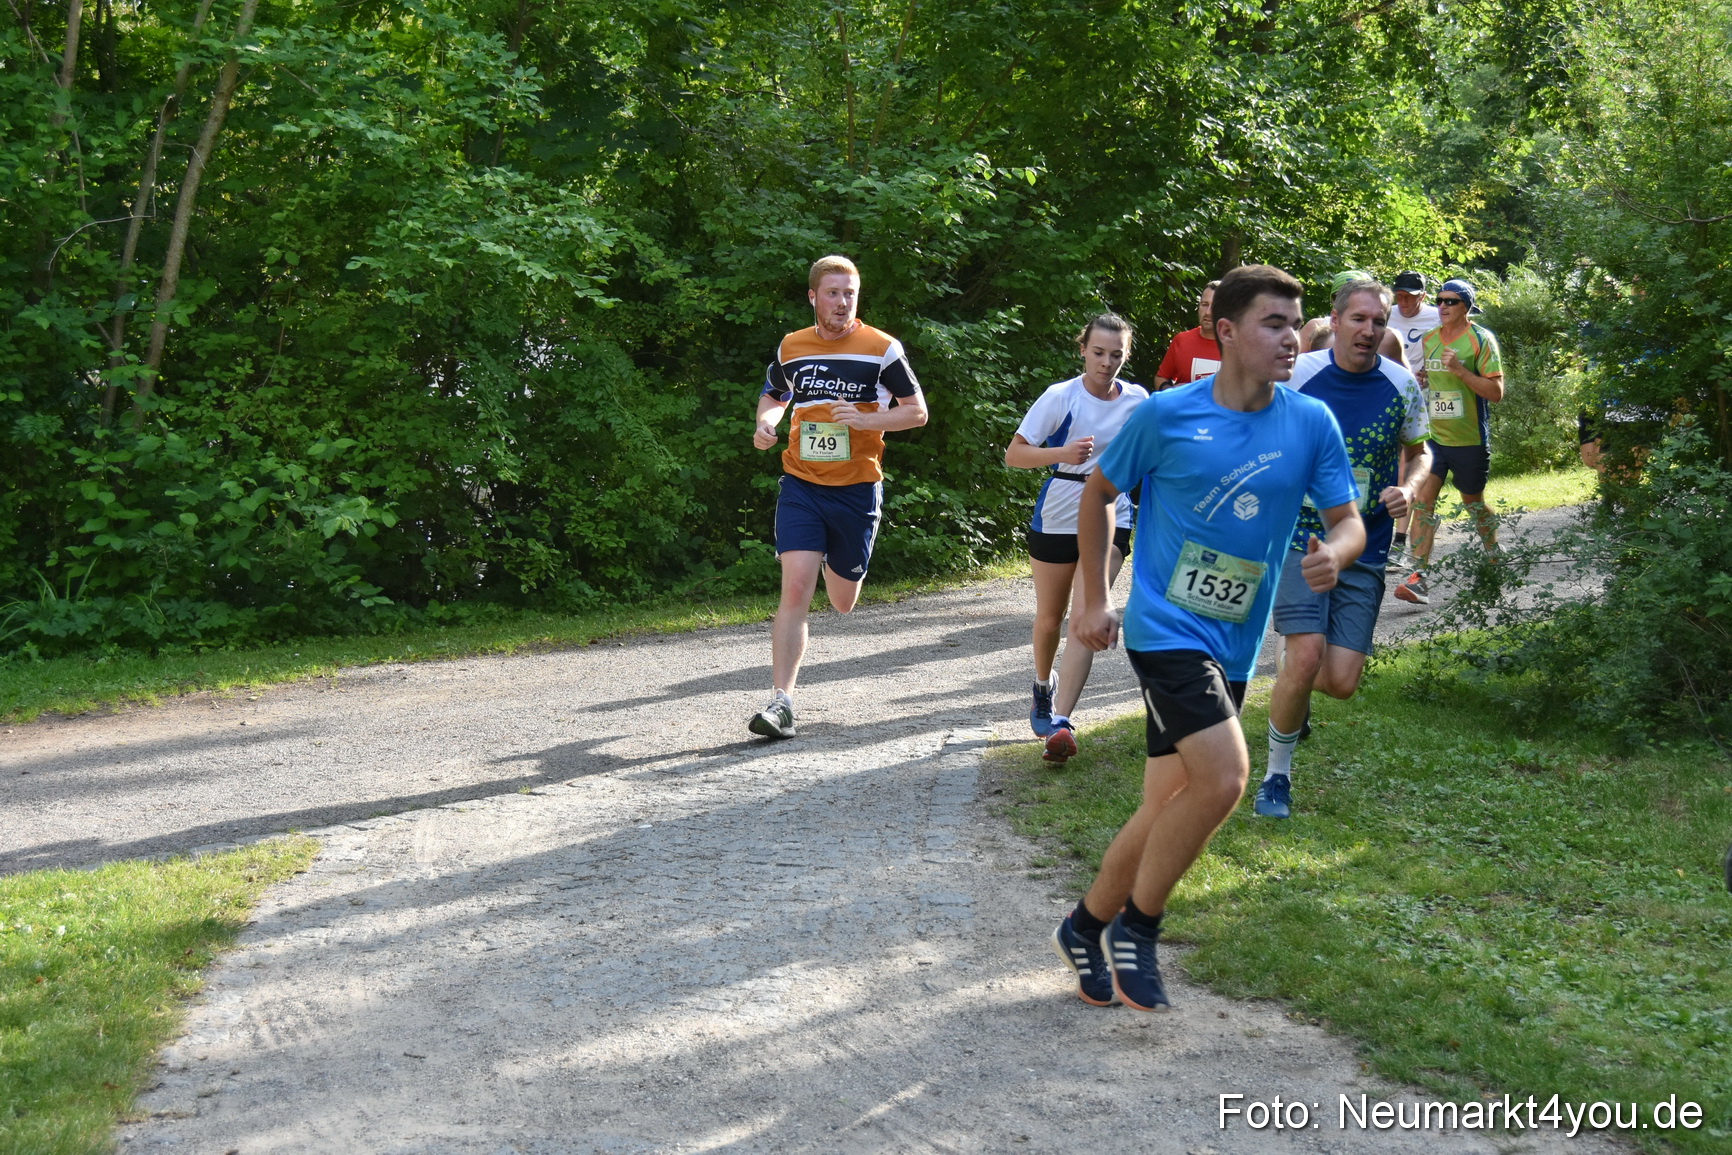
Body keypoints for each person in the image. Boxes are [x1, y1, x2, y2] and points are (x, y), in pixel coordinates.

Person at [1050, 265, 1365, 1010]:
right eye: (1272, 324)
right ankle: (1139, 927)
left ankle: (1083, 925)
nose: (1291, 339)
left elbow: (1347, 520)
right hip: (1166, 628)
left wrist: (1336, 553)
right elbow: (1098, 493)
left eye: (1294, 325)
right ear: (1226, 331)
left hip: (1235, 639)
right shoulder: (1165, 415)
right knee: (1224, 777)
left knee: (1168, 802)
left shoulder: (1309, 422)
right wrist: (1092, 599)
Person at [1254, 279, 1430, 819]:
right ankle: (1276, 777)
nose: (1369, 330)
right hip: (1301, 536)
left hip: (1365, 542)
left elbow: (1421, 452)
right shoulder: (1299, 376)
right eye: (1359, 319)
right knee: (1308, 655)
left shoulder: (1401, 384)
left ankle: (1292, 669)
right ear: (1335, 321)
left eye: (1378, 322)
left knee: (1341, 681)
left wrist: (1409, 488)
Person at [747, 255, 929, 738]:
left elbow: (916, 412)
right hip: (802, 484)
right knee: (795, 589)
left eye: (850, 293)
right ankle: (782, 703)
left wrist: (867, 420)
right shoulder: (792, 346)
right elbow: (775, 395)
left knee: (843, 601)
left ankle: (837, 560)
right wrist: (766, 423)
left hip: (856, 490)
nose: (843, 302)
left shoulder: (882, 349)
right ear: (813, 297)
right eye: (833, 292)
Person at [1005, 315, 1150, 763]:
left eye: (1116, 355)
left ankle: (1062, 722)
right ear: (1083, 349)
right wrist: (1062, 453)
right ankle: (1042, 686)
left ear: (1126, 356)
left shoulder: (1139, 401)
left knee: (1085, 614)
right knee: (1050, 619)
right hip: (1060, 510)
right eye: (1099, 352)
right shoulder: (1060, 396)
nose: (1107, 362)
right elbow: (1014, 455)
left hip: (1112, 511)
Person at [1394, 278, 1504, 605]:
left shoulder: (1481, 340)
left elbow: (1496, 393)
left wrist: (1460, 371)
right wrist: (1424, 379)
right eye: (1440, 300)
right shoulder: (1429, 339)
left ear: (1465, 306)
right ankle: (1418, 577)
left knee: (1473, 504)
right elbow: (1431, 377)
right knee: (1423, 501)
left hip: (1469, 438)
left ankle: (1494, 554)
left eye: (1450, 301)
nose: (1442, 306)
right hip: (1434, 437)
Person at [1386, 271, 1439, 557]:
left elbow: (1454, 341)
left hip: (1421, 397)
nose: (1403, 302)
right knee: (1391, 463)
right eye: (1399, 296)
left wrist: (1432, 371)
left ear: (1423, 297)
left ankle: (1400, 538)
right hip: (1387, 394)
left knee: (1411, 461)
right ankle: (1387, 533)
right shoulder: (1386, 314)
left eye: (1409, 296)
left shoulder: (1436, 316)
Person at [1299, 270, 1406, 362]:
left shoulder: (1389, 336)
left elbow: (1404, 375)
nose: (1368, 332)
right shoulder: (1315, 326)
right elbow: (1294, 367)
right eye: (1340, 296)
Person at [1153, 282, 1221, 390]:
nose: (1208, 312)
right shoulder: (1181, 340)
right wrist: (1172, 391)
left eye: (1215, 306)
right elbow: (1160, 378)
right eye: (1204, 304)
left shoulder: (1237, 347)